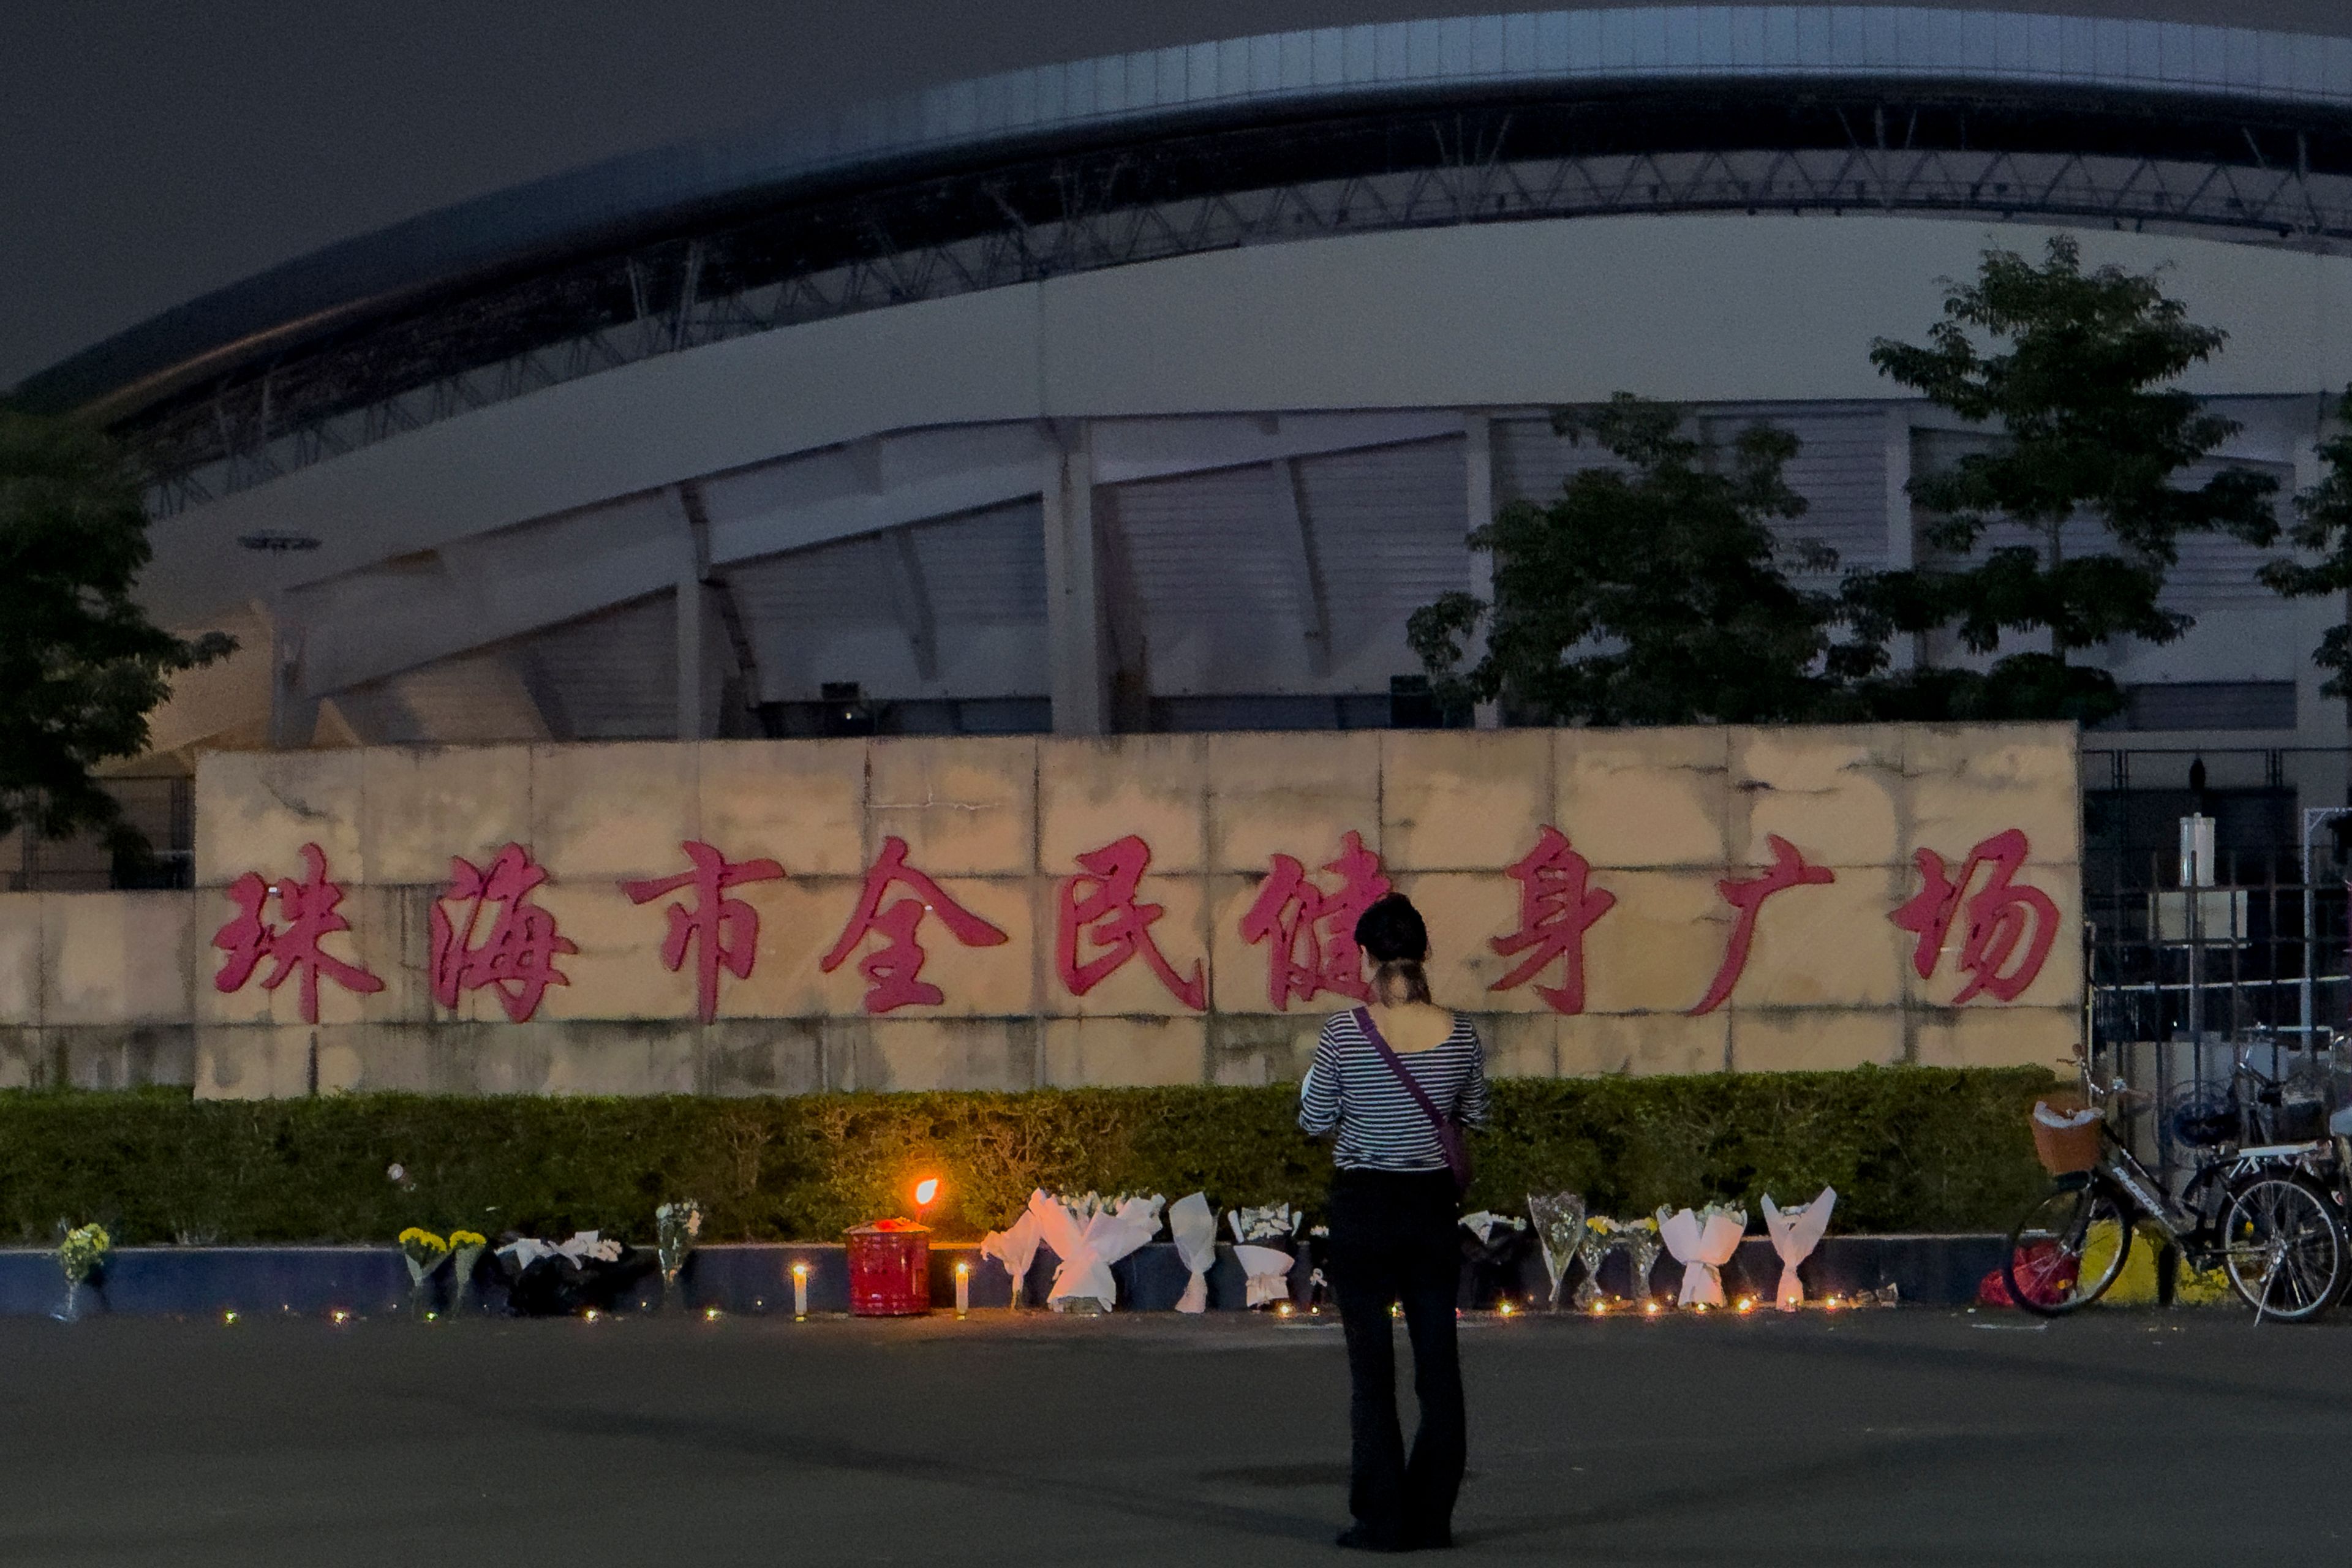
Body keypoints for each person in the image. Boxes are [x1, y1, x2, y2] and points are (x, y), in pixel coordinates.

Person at [1298, 891, 1491, 1553]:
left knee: (1371, 1373)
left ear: (1363, 957)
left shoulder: (1344, 1033)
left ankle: (1381, 1519)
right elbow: (1478, 1114)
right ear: (1426, 952)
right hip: (1431, 1209)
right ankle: (1431, 1515)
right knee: (1439, 1368)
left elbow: (1315, 1118)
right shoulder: (1461, 1032)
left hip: (1364, 1211)